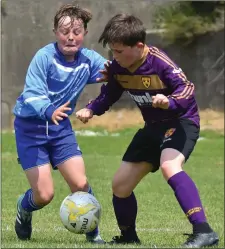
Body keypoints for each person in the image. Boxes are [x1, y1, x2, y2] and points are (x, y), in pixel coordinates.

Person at [76, 14, 219, 248]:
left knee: (169, 166)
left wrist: (169, 101)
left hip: (180, 122)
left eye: (119, 51)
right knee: (120, 185)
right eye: (113, 51)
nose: (115, 56)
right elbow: (109, 94)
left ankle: (204, 231)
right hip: (152, 128)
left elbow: (187, 89)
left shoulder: (160, 62)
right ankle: (128, 237)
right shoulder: (118, 68)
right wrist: (91, 109)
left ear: (139, 46)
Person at [13, 2, 108, 244]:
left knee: (80, 183)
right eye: (65, 31)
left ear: (84, 33)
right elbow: (32, 93)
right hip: (31, 129)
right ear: (55, 31)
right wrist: (49, 109)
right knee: (44, 195)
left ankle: (93, 234)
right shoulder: (44, 58)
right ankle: (23, 209)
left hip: (60, 129)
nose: (71, 37)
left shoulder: (88, 59)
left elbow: (114, 73)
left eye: (76, 32)